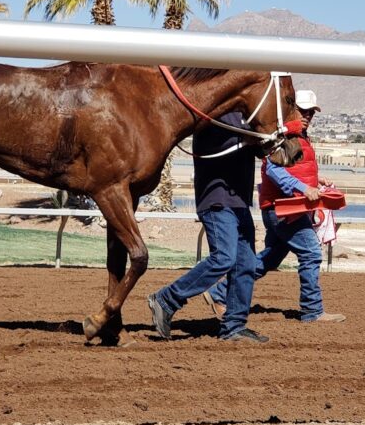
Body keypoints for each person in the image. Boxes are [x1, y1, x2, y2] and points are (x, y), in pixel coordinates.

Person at [203, 89, 346, 323]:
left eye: (311, 112)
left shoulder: (298, 136)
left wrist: (315, 181)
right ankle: (312, 310)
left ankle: (219, 292)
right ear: (290, 109)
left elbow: (292, 169)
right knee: (310, 252)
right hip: (285, 210)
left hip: (285, 208)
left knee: (268, 259)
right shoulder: (283, 136)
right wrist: (304, 188)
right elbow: (273, 170)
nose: (308, 115)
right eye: (303, 110)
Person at [147, 110, 268, 343]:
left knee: (247, 264)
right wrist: (247, 138)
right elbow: (212, 147)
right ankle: (166, 299)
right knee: (224, 257)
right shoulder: (212, 112)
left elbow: (259, 150)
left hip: (240, 202)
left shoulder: (248, 116)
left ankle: (234, 326)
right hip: (215, 199)